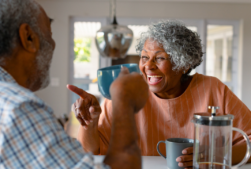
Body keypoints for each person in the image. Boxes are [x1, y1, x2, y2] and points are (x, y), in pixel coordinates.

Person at [0, 0, 149, 168]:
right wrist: (123, 100)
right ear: (28, 37)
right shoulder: (19, 109)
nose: (52, 44)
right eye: (50, 33)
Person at [69, 20, 251, 168]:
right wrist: (89, 125)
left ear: (184, 65)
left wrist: (212, 155)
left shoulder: (213, 89)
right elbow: (90, 154)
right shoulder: (126, 93)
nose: (148, 66)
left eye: (160, 58)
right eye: (144, 57)